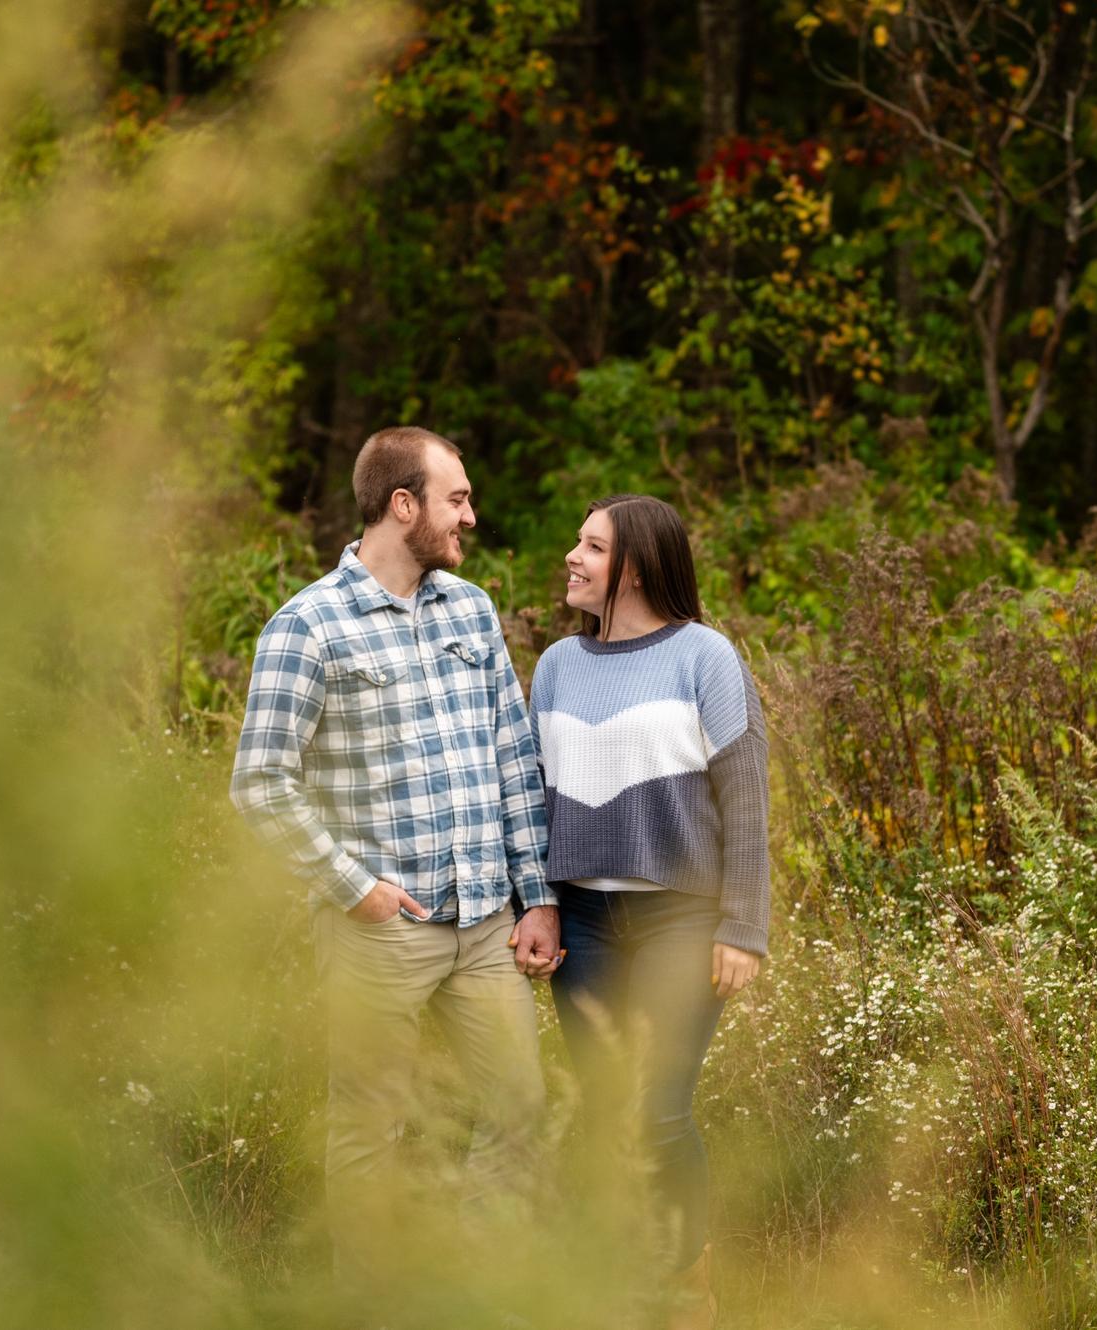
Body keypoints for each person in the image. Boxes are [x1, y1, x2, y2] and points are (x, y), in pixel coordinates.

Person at [229, 425, 561, 1286]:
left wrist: (536, 895)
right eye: (458, 499)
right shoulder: (308, 627)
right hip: (378, 934)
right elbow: (260, 782)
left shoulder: (472, 610)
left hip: (485, 923)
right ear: (403, 505)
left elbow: (512, 755)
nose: (471, 517)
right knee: (369, 1128)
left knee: (519, 1105)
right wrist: (354, 887)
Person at [530, 494, 769, 1330]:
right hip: (583, 920)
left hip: (682, 920)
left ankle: (685, 1291)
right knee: (602, 1112)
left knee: (657, 1110)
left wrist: (743, 925)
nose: (573, 556)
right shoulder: (557, 665)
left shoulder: (705, 656)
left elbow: (746, 800)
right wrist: (537, 904)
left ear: (634, 566)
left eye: (592, 546)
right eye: (578, 541)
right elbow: (535, 798)